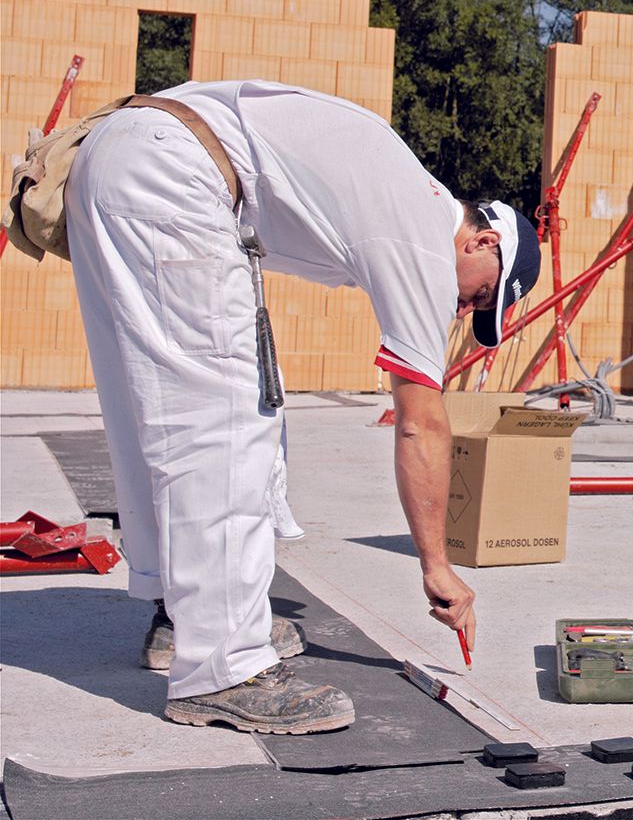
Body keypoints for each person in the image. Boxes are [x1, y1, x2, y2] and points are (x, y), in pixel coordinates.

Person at [63, 80, 540, 734]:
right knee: (226, 429)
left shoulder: (400, 190)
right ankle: (226, 668)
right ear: (483, 243)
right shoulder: (425, 237)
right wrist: (436, 564)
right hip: (176, 177)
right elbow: (422, 423)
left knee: (162, 412)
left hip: (122, 157)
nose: (465, 312)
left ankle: (182, 618)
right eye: (481, 298)